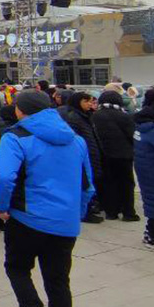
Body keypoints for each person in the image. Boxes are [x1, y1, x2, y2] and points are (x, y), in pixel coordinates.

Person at [0, 90, 94, 307]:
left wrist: (0, 207)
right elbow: (86, 184)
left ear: (20, 110)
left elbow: (2, 178)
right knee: (58, 280)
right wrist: (76, 213)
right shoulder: (76, 140)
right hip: (64, 222)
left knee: (17, 268)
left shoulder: (16, 137)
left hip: (27, 218)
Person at [92, 90, 138, 221]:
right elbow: (132, 135)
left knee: (108, 183)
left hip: (104, 155)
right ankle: (128, 212)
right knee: (126, 183)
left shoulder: (95, 116)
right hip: (124, 155)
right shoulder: (124, 116)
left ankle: (111, 212)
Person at [59, 91, 104, 224]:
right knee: (84, 184)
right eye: (86, 101)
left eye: (90, 101)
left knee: (89, 183)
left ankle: (89, 208)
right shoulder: (73, 117)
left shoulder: (85, 115)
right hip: (82, 155)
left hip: (89, 152)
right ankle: (84, 212)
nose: (90, 104)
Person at [135, 88, 154, 249]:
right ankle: (152, 236)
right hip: (153, 170)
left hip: (146, 168)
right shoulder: (153, 129)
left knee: (152, 201)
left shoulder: (141, 123)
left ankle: (151, 233)